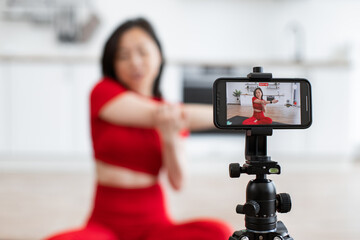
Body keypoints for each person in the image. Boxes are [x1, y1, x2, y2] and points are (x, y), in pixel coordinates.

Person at [46, 18, 232, 240]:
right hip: (105, 226)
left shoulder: (172, 116)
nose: (134, 62)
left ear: (159, 56)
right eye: (123, 56)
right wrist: (239, 113)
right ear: (113, 64)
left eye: (142, 52)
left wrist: (170, 137)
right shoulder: (103, 92)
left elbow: (177, 182)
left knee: (218, 233)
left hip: (154, 225)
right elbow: (155, 114)